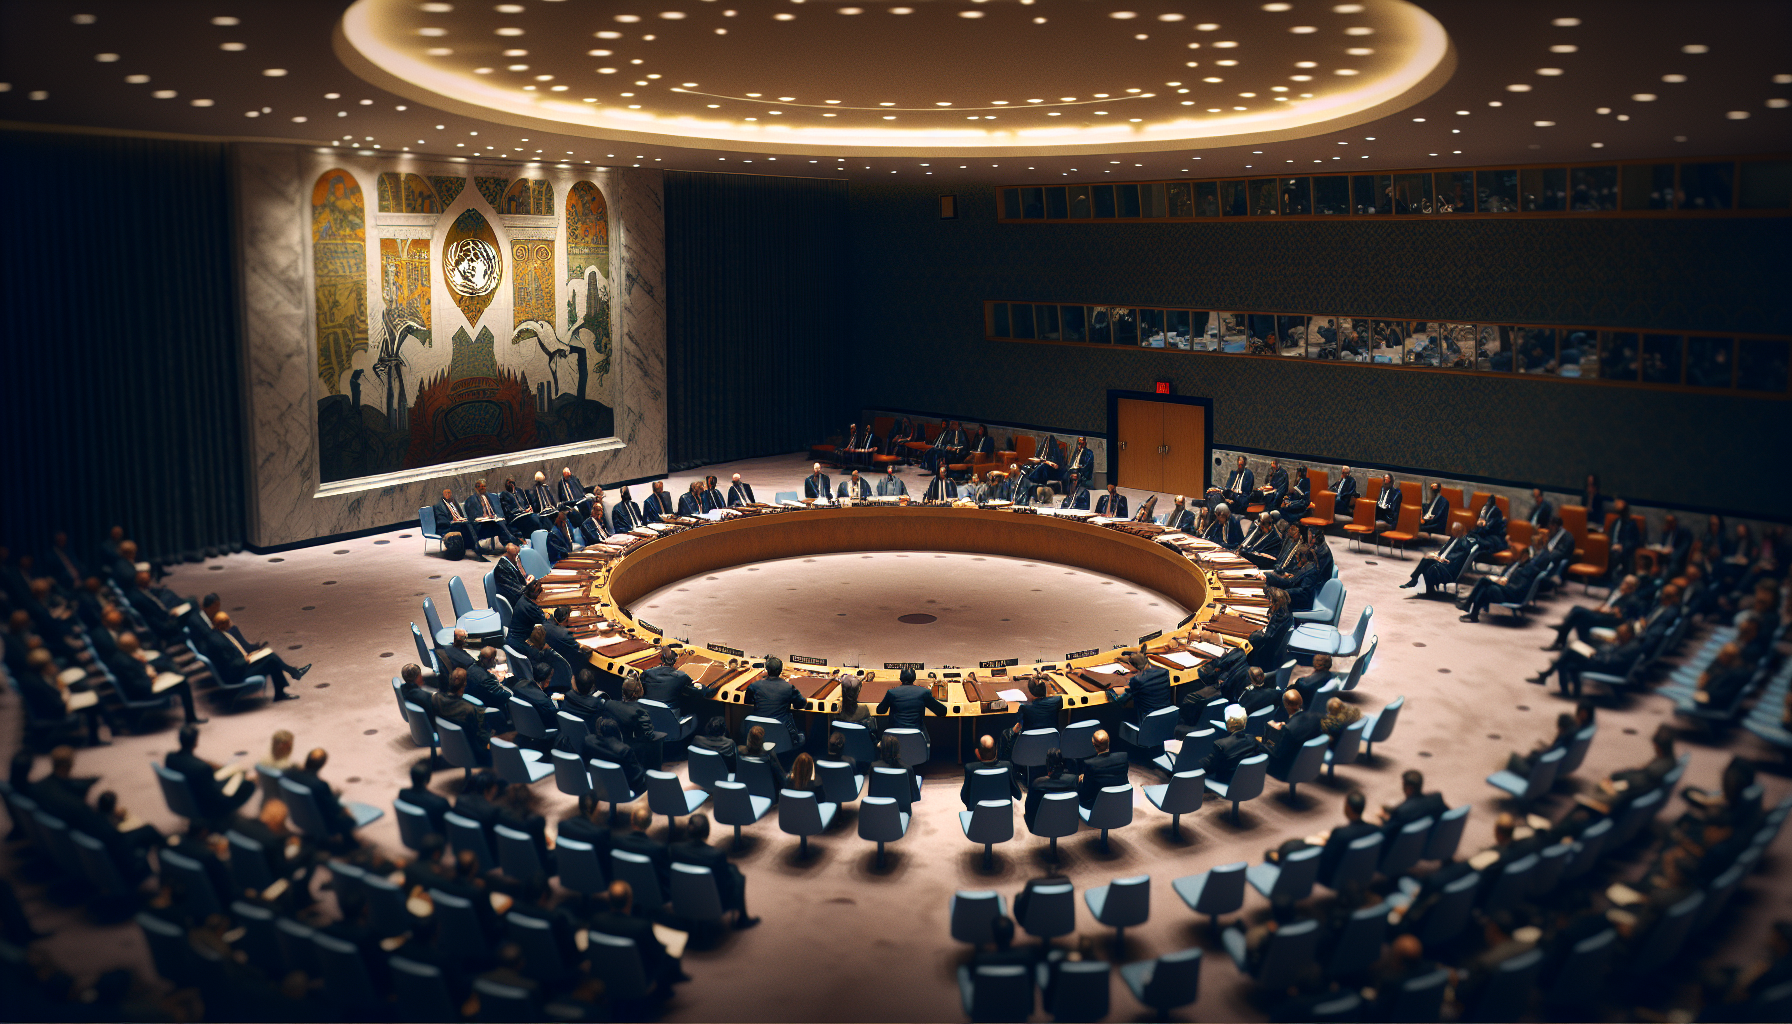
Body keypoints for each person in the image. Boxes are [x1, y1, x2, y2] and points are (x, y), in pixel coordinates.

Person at [589, 881, 685, 989]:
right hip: (638, 979)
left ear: (609, 900)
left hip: (607, 976)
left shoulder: (596, 920)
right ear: (630, 900)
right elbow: (658, 956)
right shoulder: (641, 927)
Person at [668, 813, 758, 928]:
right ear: (707, 832)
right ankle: (742, 919)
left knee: (733, 870)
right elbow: (724, 881)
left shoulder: (674, 849)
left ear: (688, 831)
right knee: (738, 877)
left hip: (683, 897)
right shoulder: (716, 855)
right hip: (714, 901)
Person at [107, 631, 206, 724]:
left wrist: (144, 665)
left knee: (162, 663)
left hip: (144, 683)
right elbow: (139, 684)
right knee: (183, 685)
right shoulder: (124, 662)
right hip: (144, 692)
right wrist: (150, 675)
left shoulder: (123, 655)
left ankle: (179, 673)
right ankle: (191, 718)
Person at [1529, 620, 1644, 696]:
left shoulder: (1630, 648)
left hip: (1605, 667)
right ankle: (1554, 679)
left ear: (1628, 634)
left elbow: (1612, 662)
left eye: (1621, 633)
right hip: (1602, 661)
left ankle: (1549, 676)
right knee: (1572, 650)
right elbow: (1611, 654)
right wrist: (1599, 651)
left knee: (1570, 656)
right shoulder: (1628, 642)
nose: (1618, 634)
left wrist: (1594, 655)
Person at [203, 612, 301, 700]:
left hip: (239, 667)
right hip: (239, 674)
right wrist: (246, 660)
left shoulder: (220, 635)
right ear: (221, 625)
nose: (230, 623)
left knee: (270, 656)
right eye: (227, 622)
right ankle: (284, 687)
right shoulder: (220, 641)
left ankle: (290, 677)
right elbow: (230, 663)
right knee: (272, 660)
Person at [166, 723, 254, 818]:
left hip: (185, 799)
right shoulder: (202, 769)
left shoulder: (170, 758)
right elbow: (217, 794)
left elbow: (192, 760)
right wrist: (234, 780)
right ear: (196, 742)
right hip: (208, 808)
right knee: (248, 783)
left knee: (231, 772)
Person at [281, 748, 359, 842]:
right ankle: (350, 843)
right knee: (348, 818)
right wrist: (339, 803)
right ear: (322, 764)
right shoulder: (320, 785)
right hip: (322, 825)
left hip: (299, 818)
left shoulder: (288, 773)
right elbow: (334, 809)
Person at [1458, 540, 1546, 622]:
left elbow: (1518, 588)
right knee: (1485, 584)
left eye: (1517, 554)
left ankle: (1469, 606)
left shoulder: (1528, 568)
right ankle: (1472, 612)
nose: (1515, 556)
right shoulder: (1520, 565)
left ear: (1524, 555)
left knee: (1486, 584)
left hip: (1513, 595)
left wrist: (1503, 584)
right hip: (1509, 591)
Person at [744, 656, 807, 750]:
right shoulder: (789, 688)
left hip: (758, 736)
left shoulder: (754, 686)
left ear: (767, 670)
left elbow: (747, 701)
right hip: (783, 736)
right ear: (781, 670)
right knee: (802, 736)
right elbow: (801, 704)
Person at [430, 669, 492, 764]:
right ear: (465, 684)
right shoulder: (470, 710)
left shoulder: (436, 698)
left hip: (448, 744)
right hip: (472, 752)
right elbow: (480, 738)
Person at [1263, 689, 1322, 778]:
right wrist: (1285, 726)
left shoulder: (1289, 730)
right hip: (1308, 764)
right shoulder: (1316, 718)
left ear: (1286, 705)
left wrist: (1273, 732)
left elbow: (1278, 754)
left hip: (1286, 769)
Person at [1401, 521, 1471, 595]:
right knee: (1427, 560)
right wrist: (1437, 554)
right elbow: (1444, 550)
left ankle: (1414, 579)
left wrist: (1442, 559)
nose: (1452, 532)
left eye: (1454, 531)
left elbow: (1456, 559)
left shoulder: (1464, 544)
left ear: (1459, 531)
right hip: (1443, 563)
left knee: (1427, 560)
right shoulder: (1453, 538)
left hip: (1449, 569)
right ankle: (1428, 589)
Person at [641, 648, 718, 714]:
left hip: (648, 716)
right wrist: (705, 689)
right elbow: (695, 692)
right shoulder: (681, 676)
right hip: (671, 718)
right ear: (676, 661)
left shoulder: (647, 674)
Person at [1108, 650, 1171, 727]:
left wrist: (1111, 691)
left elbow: (1122, 701)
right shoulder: (1164, 672)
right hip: (1167, 720)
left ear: (1133, 667)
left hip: (1147, 724)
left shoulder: (1138, 680)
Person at [1377, 769, 1446, 840]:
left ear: (1409, 788)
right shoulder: (1436, 799)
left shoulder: (1401, 812)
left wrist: (1383, 820)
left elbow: (1385, 833)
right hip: (1431, 839)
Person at [1503, 712, 1578, 777]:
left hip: (1533, 772)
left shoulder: (1557, 746)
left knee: (1512, 757)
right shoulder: (1564, 743)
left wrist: (1531, 757)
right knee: (1532, 752)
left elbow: (1538, 759)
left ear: (1561, 728)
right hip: (1544, 769)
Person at [583, 717, 645, 794]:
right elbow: (637, 779)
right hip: (624, 791)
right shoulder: (625, 751)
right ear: (619, 733)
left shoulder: (588, 742)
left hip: (599, 786)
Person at [877, 666, 947, 733]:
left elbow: (880, 711)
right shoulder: (923, 692)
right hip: (916, 735)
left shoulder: (892, 693)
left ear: (900, 679)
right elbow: (942, 711)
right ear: (914, 678)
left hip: (895, 735)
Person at [959, 734, 1021, 808]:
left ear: (977, 753)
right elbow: (1018, 795)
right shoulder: (1007, 766)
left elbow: (964, 797)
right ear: (996, 751)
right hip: (1003, 814)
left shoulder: (970, 768)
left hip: (978, 814)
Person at [1024, 748, 1077, 829]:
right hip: (1067, 824)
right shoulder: (1074, 780)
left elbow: (1028, 809)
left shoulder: (1037, 783)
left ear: (1047, 764)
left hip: (1041, 827)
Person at [1076, 729, 1129, 808]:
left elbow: (1086, 792)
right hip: (1120, 802)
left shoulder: (1090, 764)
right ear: (1108, 741)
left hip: (1097, 806)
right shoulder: (1123, 757)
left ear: (1093, 744)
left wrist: (1083, 780)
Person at [433, 487, 489, 560]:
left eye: (449, 493)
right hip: (447, 526)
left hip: (457, 523)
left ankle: (475, 547)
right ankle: (476, 549)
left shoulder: (453, 502)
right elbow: (441, 520)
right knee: (465, 526)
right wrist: (453, 521)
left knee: (472, 524)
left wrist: (460, 520)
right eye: (446, 493)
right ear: (443, 495)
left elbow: (460, 515)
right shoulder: (439, 506)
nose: (448, 494)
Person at [398, 759, 451, 834]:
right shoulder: (440, 803)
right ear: (428, 779)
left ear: (411, 777)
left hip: (412, 831)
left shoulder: (403, 794)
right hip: (434, 836)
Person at [464, 478, 517, 549]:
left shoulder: (489, 497)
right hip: (481, 524)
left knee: (501, 522)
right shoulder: (471, 500)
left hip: (492, 519)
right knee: (499, 524)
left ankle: (508, 542)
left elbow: (494, 510)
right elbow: (472, 516)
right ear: (476, 488)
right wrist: (483, 517)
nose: (483, 488)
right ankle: (511, 540)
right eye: (481, 486)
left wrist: (494, 516)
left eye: (484, 486)